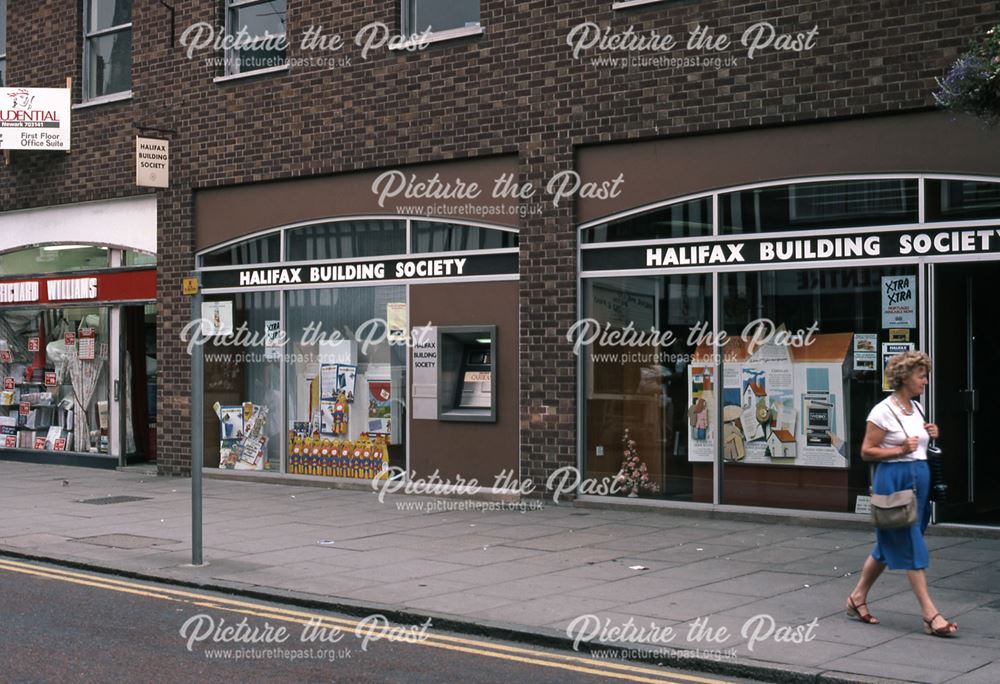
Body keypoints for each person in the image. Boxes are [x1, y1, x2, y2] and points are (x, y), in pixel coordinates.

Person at [846, 351, 957, 637]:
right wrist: (899, 450)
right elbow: (866, 452)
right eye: (922, 376)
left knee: (889, 545)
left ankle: (856, 598)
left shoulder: (916, 408)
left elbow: (917, 445)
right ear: (905, 377)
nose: (926, 381)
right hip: (894, 481)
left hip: (919, 481)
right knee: (911, 545)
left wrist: (930, 434)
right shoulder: (882, 411)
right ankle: (930, 614)